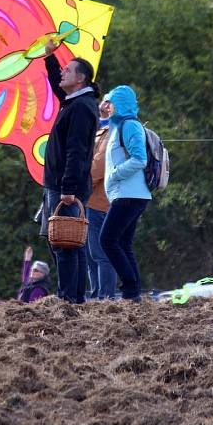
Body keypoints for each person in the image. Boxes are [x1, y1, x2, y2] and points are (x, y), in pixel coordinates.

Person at [40, 40, 100, 303]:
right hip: (61, 183)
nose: (63, 72)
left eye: (68, 69)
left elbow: (76, 151)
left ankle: (68, 299)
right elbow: (57, 85)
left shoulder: (81, 108)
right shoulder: (75, 101)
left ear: (81, 79)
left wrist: (68, 188)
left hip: (66, 186)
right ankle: (74, 298)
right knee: (68, 242)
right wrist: (50, 57)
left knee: (65, 242)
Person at [100, 86, 152, 301]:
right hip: (129, 194)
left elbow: (140, 159)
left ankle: (130, 288)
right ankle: (133, 294)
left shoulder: (129, 125)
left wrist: (114, 174)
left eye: (110, 102)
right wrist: (103, 109)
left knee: (107, 240)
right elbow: (100, 118)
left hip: (128, 195)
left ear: (119, 103)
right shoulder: (117, 126)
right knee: (123, 243)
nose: (106, 107)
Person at [86, 101, 118, 300]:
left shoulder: (111, 131)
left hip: (100, 201)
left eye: (108, 101)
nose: (102, 104)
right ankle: (98, 293)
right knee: (92, 255)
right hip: (93, 200)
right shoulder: (101, 129)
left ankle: (105, 297)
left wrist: (80, 181)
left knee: (100, 253)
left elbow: (99, 165)